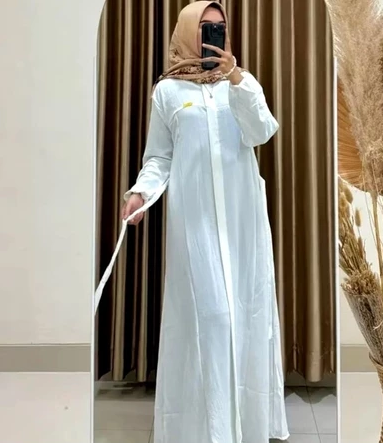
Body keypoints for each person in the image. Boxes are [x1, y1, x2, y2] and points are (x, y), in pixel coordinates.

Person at [122, 2, 289, 442]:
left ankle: (244, 427)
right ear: (185, 32)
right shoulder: (167, 91)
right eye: (204, 27)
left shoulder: (242, 82)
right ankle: (206, 430)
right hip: (194, 222)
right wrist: (141, 193)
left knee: (246, 317)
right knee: (210, 317)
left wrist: (236, 78)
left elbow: (261, 132)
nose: (212, 33)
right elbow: (159, 157)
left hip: (242, 221)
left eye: (219, 26)